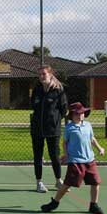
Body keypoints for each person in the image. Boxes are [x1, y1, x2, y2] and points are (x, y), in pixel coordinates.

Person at [41, 103, 105, 214]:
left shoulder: (88, 125)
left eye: (81, 113)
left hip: (90, 160)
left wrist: (100, 148)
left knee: (95, 182)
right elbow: (65, 142)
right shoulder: (69, 128)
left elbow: (92, 139)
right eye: (76, 113)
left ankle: (93, 205)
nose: (79, 115)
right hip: (75, 161)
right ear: (72, 115)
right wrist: (66, 155)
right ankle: (54, 202)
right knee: (67, 184)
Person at [30, 65, 68, 193]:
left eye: (44, 74)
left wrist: (53, 120)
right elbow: (33, 106)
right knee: (38, 156)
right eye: (39, 74)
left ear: (50, 74)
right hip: (37, 130)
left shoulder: (58, 90)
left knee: (54, 156)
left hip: (53, 130)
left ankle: (58, 181)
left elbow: (64, 110)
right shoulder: (37, 89)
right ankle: (39, 183)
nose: (41, 76)